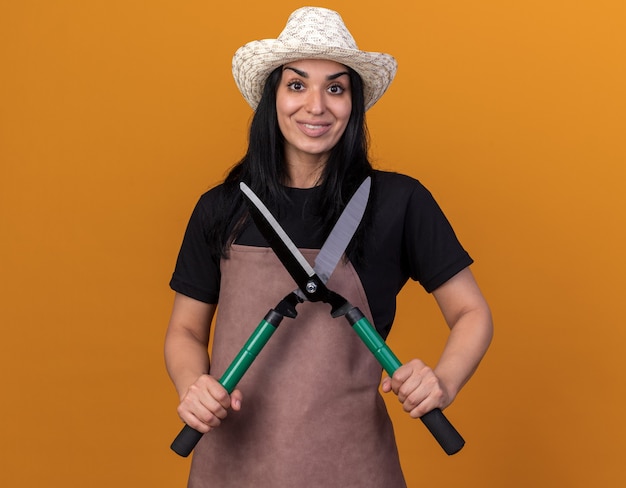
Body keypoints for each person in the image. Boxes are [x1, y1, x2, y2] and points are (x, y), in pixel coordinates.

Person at [165, 7, 493, 487]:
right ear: (271, 97)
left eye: (335, 88)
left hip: (355, 468)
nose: (316, 106)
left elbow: (472, 312)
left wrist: (442, 381)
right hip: (230, 469)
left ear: (353, 103)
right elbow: (186, 331)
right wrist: (192, 385)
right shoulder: (221, 208)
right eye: (296, 85)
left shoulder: (399, 203)